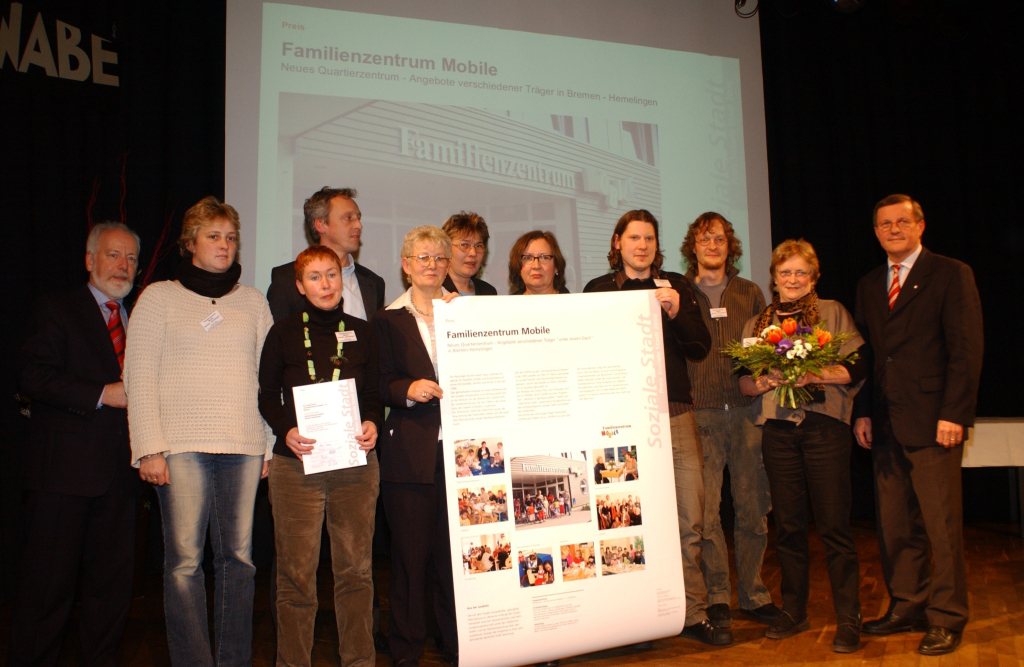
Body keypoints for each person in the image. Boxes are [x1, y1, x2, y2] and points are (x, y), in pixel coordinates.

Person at [124, 196, 275, 666]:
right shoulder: (158, 298)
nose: (224, 245)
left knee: (240, 561)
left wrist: (269, 445)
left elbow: (269, 379)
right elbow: (138, 375)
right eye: (213, 236)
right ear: (190, 243)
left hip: (244, 446)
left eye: (230, 237)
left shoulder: (253, 302)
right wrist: (149, 447)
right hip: (179, 447)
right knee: (184, 564)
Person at [583, 210, 723, 645]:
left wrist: (678, 312)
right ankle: (633, 617)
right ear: (618, 242)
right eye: (634, 238)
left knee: (689, 519)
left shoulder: (676, 285)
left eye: (649, 238)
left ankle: (694, 612)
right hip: (620, 423)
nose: (641, 245)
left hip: (675, 415)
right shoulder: (597, 289)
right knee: (624, 521)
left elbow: (700, 347)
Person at [853, 195, 983, 656]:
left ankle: (946, 617)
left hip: (934, 420)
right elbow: (868, 355)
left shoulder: (951, 273)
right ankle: (908, 605)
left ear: (920, 225)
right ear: (876, 232)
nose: (894, 230)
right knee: (895, 525)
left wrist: (954, 414)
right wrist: (863, 410)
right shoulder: (870, 284)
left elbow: (966, 351)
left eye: (902, 222)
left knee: (940, 527)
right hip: (885, 420)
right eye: (884, 224)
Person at [8, 222, 141, 666]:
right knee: (47, 593)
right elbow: (32, 376)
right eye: (113, 255)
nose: (123, 266)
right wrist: (102, 393)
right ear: (89, 260)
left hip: (122, 479)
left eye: (131, 258)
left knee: (110, 594)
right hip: (61, 478)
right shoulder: (57, 309)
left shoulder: (141, 321)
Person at [739, 239, 867, 653]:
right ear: (774, 278)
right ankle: (794, 611)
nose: (792, 279)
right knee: (790, 528)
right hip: (778, 431)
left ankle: (849, 618)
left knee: (834, 526)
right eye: (785, 272)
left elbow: (858, 367)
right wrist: (767, 380)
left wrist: (815, 375)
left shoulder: (832, 312)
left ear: (814, 278)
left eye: (801, 272)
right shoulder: (758, 324)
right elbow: (743, 382)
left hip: (824, 428)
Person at [258, 245, 383, 666]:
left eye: (332, 274)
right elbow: (266, 396)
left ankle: (359, 661)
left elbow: (372, 393)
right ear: (300, 285)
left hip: (354, 465)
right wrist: (286, 430)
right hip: (296, 467)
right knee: (296, 577)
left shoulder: (363, 332)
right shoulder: (283, 332)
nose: (325, 284)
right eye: (314, 277)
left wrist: (372, 422)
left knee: (356, 573)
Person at [680, 212, 780, 630]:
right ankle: (718, 594)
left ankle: (753, 594)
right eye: (704, 239)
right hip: (699, 415)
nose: (712, 245)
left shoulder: (750, 292)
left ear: (730, 244)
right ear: (693, 246)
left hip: (746, 414)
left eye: (719, 238)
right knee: (706, 515)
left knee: (753, 507)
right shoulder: (680, 293)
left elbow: (767, 348)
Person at [371, 226, 460, 667]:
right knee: (409, 560)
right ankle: (406, 653)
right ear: (406, 264)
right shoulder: (387, 319)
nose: (432, 265)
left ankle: (457, 646)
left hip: (465, 454)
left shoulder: (465, 312)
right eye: (423, 258)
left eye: (440, 258)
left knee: (455, 561)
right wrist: (408, 389)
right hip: (410, 456)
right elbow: (378, 382)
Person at [267, 187, 385, 322]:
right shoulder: (286, 280)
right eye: (348, 218)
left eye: (358, 218)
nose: (359, 225)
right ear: (321, 225)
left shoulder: (373, 283)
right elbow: (280, 333)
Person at [442, 211, 497, 295]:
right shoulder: (434, 290)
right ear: (446, 248)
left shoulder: (489, 291)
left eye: (478, 246)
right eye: (464, 245)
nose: (473, 253)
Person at [508, 230, 571, 295]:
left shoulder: (573, 301)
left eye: (544, 257)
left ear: (556, 266)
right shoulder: (507, 301)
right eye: (528, 258)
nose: (536, 266)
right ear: (518, 266)